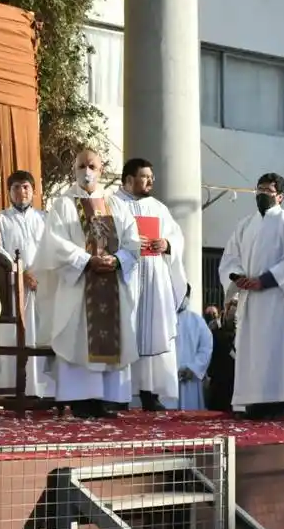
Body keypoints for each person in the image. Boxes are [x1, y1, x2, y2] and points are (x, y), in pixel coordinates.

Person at [33, 148, 141, 419]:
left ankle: (106, 399)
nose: (87, 171)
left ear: (101, 169)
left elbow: (133, 241)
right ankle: (80, 399)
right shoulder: (64, 204)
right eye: (81, 166)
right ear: (74, 170)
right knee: (78, 336)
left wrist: (117, 260)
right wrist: (86, 260)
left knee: (110, 335)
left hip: (111, 284)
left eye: (92, 166)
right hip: (79, 284)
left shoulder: (116, 205)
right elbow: (54, 243)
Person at [219, 172, 284, 420]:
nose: (261, 194)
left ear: (280, 196)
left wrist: (265, 280)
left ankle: (275, 402)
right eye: (259, 189)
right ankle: (252, 402)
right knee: (250, 351)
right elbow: (230, 257)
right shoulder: (245, 224)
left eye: (268, 191)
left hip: (275, 297)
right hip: (250, 299)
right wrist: (238, 277)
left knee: (275, 350)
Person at [114, 157, 187, 411]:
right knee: (126, 331)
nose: (150, 181)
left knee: (152, 331)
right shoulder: (113, 204)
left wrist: (167, 244)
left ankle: (149, 392)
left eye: (151, 177)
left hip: (154, 277)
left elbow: (176, 237)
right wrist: (131, 243)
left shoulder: (158, 208)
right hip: (126, 275)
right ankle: (118, 394)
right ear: (129, 179)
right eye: (145, 177)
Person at [0, 170, 51, 398]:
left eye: (26, 187)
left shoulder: (45, 218)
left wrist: (40, 273)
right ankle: (16, 387)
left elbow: (52, 248)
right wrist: (21, 272)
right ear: (9, 192)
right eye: (16, 187)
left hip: (42, 285)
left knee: (41, 334)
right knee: (17, 335)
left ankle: (41, 387)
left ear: (33, 190)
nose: (21, 191)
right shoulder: (1, 219)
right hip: (14, 286)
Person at [175, 286, 212, 410]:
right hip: (168, 379)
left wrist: (194, 368)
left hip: (190, 379)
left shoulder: (197, 320)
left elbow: (206, 347)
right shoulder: (163, 319)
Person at [206, 296, 237, 412]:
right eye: (232, 314)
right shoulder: (215, 332)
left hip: (235, 386)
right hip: (218, 385)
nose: (234, 319)